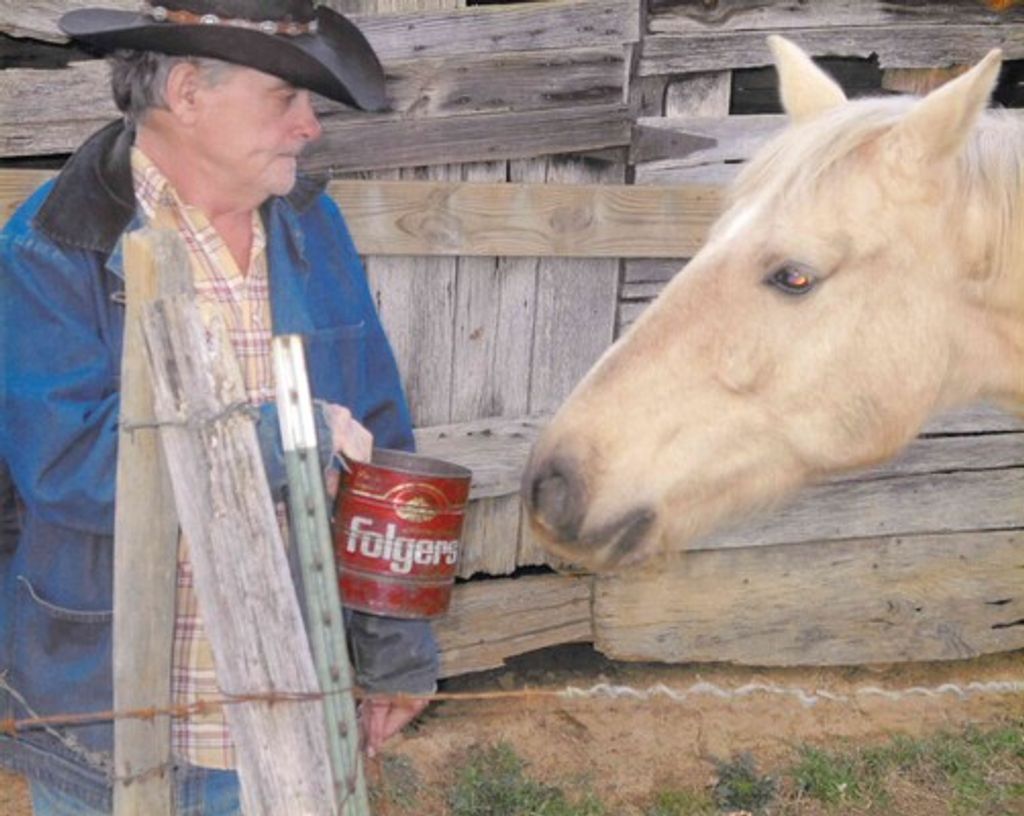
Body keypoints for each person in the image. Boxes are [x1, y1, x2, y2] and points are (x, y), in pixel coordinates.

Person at [0, 1, 438, 812]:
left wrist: (395, 641)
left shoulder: (312, 226)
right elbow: (72, 471)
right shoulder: (54, 250)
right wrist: (280, 441)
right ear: (190, 93)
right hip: (115, 712)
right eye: (286, 98)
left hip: (296, 699)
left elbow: (382, 434)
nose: (310, 127)